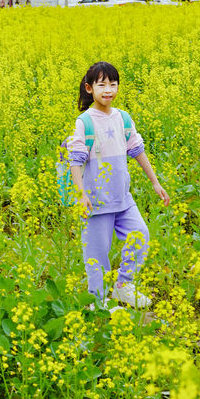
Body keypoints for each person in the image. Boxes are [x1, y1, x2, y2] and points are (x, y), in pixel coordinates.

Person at [68, 61, 170, 311]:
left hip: (122, 199)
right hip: (96, 201)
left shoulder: (123, 118)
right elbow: (75, 160)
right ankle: (98, 301)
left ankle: (124, 286)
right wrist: (81, 195)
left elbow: (137, 151)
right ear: (89, 88)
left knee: (140, 235)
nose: (109, 90)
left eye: (113, 84)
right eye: (102, 84)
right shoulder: (85, 122)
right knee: (97, 254)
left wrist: (155, 182)